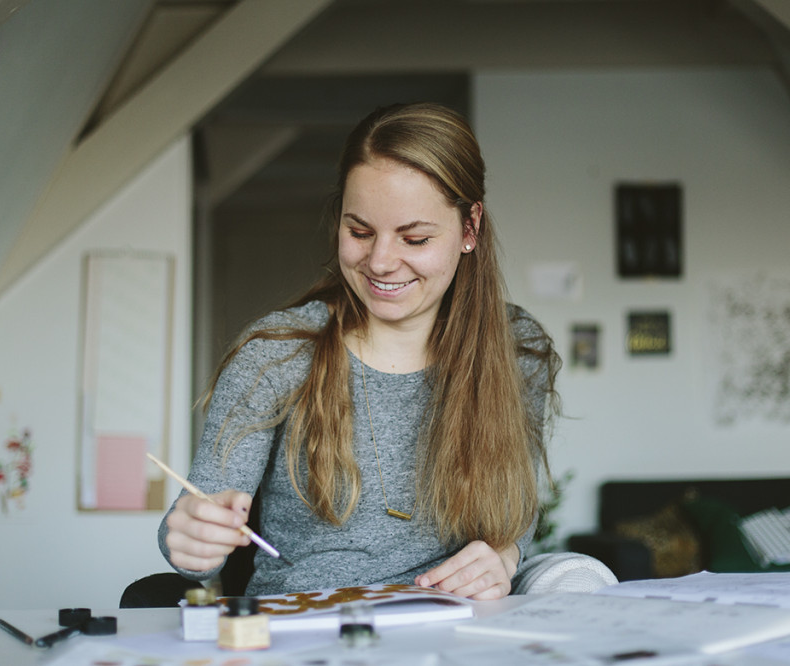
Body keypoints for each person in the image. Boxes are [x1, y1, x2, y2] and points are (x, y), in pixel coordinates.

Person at [159, 102, 561, 601]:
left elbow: (513, 516)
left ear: (470, 228)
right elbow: (197, 526)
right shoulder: (277, 354)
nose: (381, 262)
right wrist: (190, 538)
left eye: (414, 238)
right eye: (360, 232)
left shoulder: (518, 350)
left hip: (456, 632)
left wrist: (504, 556)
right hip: (308, 633)